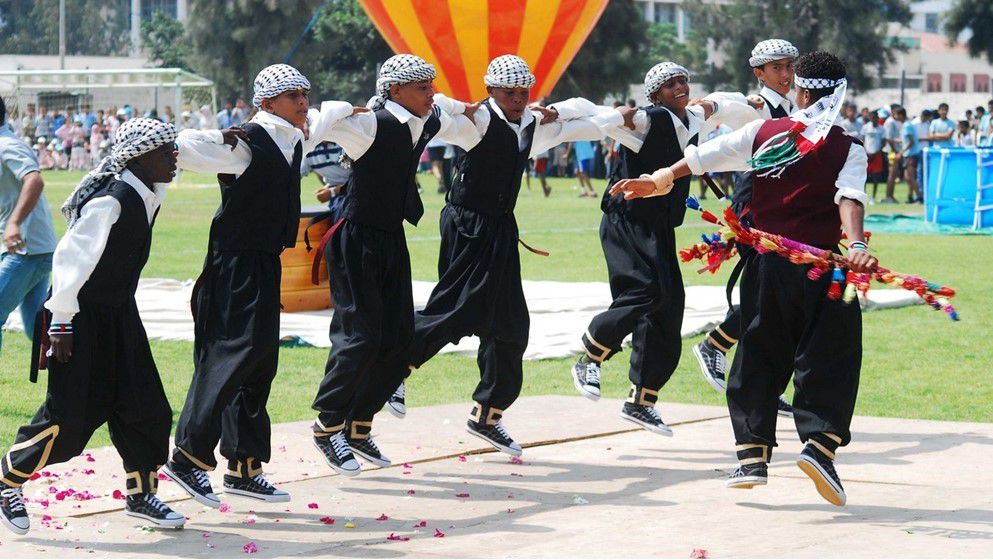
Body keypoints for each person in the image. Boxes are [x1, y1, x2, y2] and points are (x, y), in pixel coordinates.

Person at [611, 51, 876, 507]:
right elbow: (848, 199)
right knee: (832, 353)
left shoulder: (761, 132)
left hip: (768, 265)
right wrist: (855, 246)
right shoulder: (848, 146)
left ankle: (752, 456)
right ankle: (820, 447)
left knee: (759, 351)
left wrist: (657, 179)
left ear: (802, 90)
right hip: (825, 270)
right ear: (839, 95)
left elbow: (698, 159)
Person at [378, 55, 629, 459]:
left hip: (500, 228)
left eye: (522, 92)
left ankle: (488, 414)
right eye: (508, 92)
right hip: (466, 224)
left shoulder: (532, 123)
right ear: (490, 90)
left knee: (512, 324)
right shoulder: (475, 122)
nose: (516, 98)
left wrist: (581, 112)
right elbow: (431, 111)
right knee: (457, 308)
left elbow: (586, 119)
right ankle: (391, 371)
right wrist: (457, 105)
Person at [166, 64, 349, 508]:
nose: (304, 103)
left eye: (306, 94)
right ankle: (188, 457)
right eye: (294, 96)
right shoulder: (246, 142)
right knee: (234, 352)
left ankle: (245, 467)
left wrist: (363, 106)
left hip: (265, 263)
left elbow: (330, 114)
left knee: (261, 359)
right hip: (234, 265)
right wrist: (206, 138)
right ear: (268, 104)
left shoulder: (295, 135)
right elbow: (186, 148)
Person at [0, 118, 186, 534]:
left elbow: (188, 149)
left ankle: (141, 497)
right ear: (138, 157)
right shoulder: (112, 200)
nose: (174, 157)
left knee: (146, 406)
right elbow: (69, 260)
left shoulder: (146, 188)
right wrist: (61, 325)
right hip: (79, 319)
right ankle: (6, 480)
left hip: (120, 314)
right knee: (67, 419)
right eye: (165, 151)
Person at [307, 54, 476, 476]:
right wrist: (343, 109)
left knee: (401, 338)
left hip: (390, 237)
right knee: (360, 335)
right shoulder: (369, 124)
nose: (431, 93)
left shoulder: (427, 117)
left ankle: (358, 427)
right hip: (355, 237)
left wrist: (468, 108)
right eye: (423, 87)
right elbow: (315, 124)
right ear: (395, 91)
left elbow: (448, 107)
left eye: (431, 85)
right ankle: (328, 426)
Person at [570, 62, 746, 435]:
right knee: (644, 292)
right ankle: (590, 356)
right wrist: (586, 113)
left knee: (669, 306)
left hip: (661, 226)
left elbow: (726, 103)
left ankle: (642, 401)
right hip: (626, 220)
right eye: (670, 85)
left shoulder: (695, 118)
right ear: (654, 95)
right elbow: (594, 117)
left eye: (683, 81)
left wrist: (726, 104)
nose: (680, 87)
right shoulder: (645, 121)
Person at [691, 39, 800, 418]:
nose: (785, 74)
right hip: (755, 205)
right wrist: (702, 109)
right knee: (764, 295)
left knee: (780, 301)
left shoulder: (798, 105)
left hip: (787, 206)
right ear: (759, 73)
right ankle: (717, 345)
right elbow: (723, 104)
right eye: (776, 68)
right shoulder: (755, 106)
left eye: (789, 66)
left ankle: (764, 387)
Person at [0, 97, 57, 355]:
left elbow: (34, 180)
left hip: (26, 251)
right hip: (30, 249)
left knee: (41, 330)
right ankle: (86, 378)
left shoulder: (7, 145)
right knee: (39, 331)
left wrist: (14, 223)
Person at [301, 140, 351, 213]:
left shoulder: (344, 144)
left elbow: (358, 176)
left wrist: (333, 191)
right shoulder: (309, 151)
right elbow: (294, 176)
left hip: (354, 191)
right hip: (337, 195)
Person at [900, 107, 923, 204]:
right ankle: (910, 197)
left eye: (895, 114)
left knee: (911, 177)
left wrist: (901, 152)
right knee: (907, 177)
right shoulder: (907, 124)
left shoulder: (907, 125)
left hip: (911, 155)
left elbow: (911, 142)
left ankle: (919, 198)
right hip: (908, 155)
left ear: (901, 115)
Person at [882, 106, 904, 204]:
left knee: (894, 174)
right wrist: (895, 151)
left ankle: (890, 195)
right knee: (892, 174)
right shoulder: (890, 122)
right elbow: (889, 138)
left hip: (894, 150)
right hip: (891, 151)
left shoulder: (895, 122)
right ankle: (888, 196)